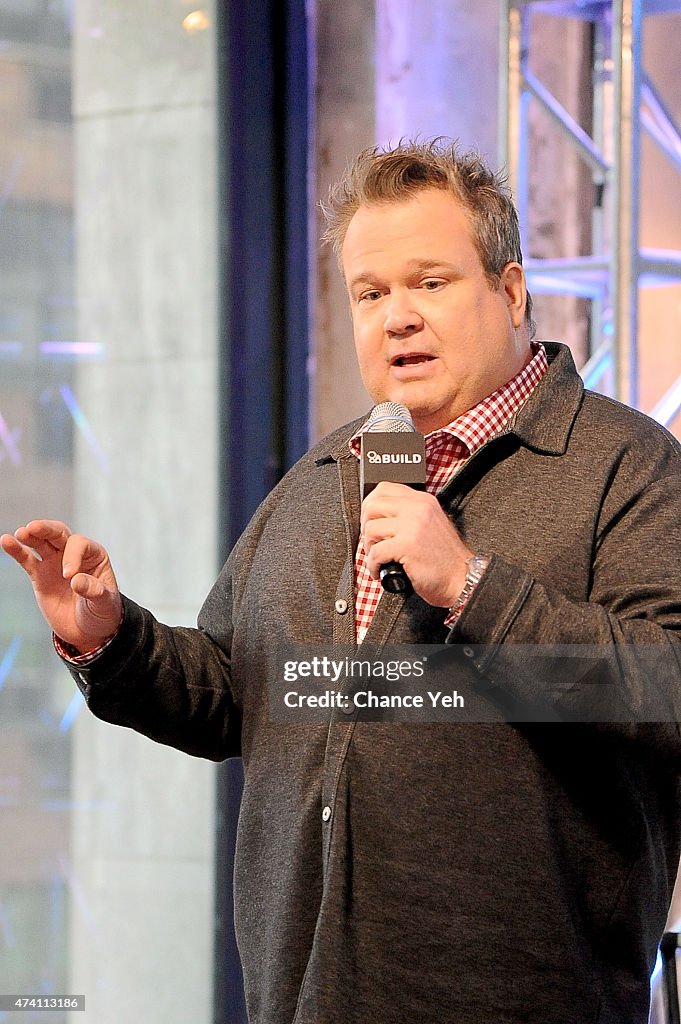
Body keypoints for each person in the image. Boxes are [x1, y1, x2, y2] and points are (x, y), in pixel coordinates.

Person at [3, 139, 681, 1024]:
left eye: (429, 283)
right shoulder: (328, 472)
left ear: (510, 292)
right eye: (371, 293)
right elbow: (233, 694)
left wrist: (471, 586)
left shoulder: (622, 466)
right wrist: (109, 637)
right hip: (302, 997)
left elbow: (662, 688)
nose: (396, 317)